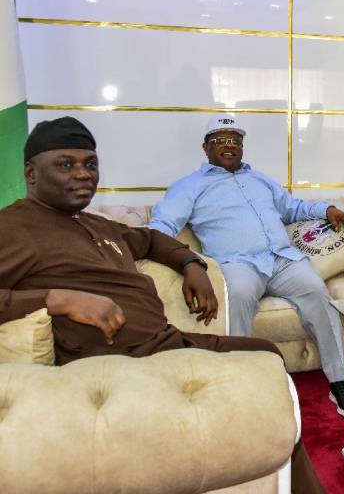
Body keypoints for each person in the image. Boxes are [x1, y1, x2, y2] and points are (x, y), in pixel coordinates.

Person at [0, 116, 325, 494]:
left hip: (166, 343)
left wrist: (191, 264)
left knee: (267, 354)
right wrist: (57, 300)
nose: (83, 174)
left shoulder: (98, 225)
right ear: (31, 173)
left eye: (90, 164)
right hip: (116, 365)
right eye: (65, 164)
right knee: (264, 374)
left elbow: (153, 240)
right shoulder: (13, 227)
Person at [149, 114, 344, 416]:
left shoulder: (259, 179)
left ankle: (340, 380)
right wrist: (178, 259)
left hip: (282, 259)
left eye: (235, 140)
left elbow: (291, 208)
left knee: (317, 291)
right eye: (220, 140)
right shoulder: (189, 186)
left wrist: (325, 209)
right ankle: (239, 384)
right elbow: (162, 225)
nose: (229, 145)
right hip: (237, 264)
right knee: (236, 297)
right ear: (205, 147)